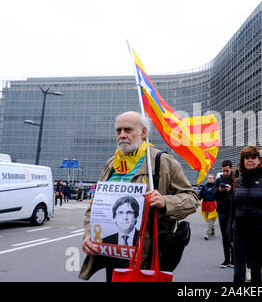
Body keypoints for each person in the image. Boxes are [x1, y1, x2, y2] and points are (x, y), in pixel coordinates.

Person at [79, 111, 199, 282]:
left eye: (128, 130)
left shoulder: (162, 161)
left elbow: (192, 199)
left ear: (143, 132)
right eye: (118, 130)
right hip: (111, 252)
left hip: (146, 256)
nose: (122, 135)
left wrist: (165, 201)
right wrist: (88, 234)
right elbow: (94, 206)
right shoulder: (111, 164)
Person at [229, 146, 262, 283]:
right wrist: (230, 235)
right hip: (239, 231)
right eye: (247, 158)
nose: (250, 161)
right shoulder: (237, 181)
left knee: (255, 271)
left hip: (260, 232)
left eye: (253, 158)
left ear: (259, 160)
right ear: (243, 161)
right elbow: (233, 211)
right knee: (238, 271)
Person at [213, 160, 235, 268]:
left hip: (233, 211)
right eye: (223, 171)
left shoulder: (236, 179)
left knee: (230, 235)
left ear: (231, 168)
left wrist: (232, 190)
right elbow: (214, 195)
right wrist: (219, 190)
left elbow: (240, 193)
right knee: (224, 237)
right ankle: (227, 260)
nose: (225, 173)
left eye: (227, 170)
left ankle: (234, 260)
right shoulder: (218, 180)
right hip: (221, 211)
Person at [198, 174, 218, 240]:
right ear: (207, 179)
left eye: (211, 178)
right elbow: (200, 194)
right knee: (208, 219)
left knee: (210, 218)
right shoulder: (204, 187)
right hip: (205, 205)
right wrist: (198, 199)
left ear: (214, 179)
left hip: (213, 205)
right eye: (209, 178)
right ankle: (212, 230)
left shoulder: (216, 187)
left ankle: (207, 234)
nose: (210, 179)